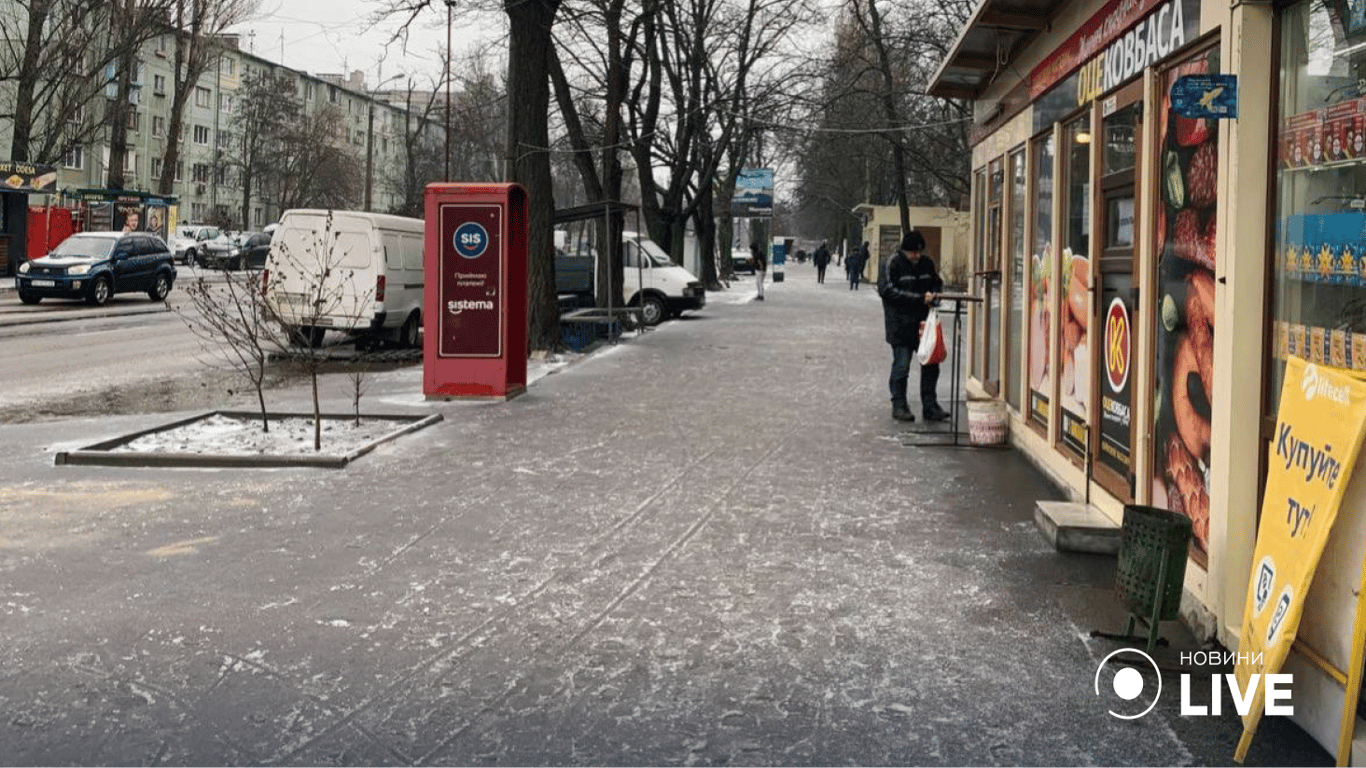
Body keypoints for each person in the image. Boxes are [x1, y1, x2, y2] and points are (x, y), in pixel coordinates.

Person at [878, 230, 950, 422]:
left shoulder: (927, 263)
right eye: (912, 253)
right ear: (904, 250)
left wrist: (934, 294)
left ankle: (930, 405)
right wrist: (920, 299)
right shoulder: (892, 263)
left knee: (930, 364)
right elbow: (887, 290)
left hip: (924, 324)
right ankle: (899, 404)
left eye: (919, 252)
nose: (916, 256)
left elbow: (937, 282)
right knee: (901, 366)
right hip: (900, 325)